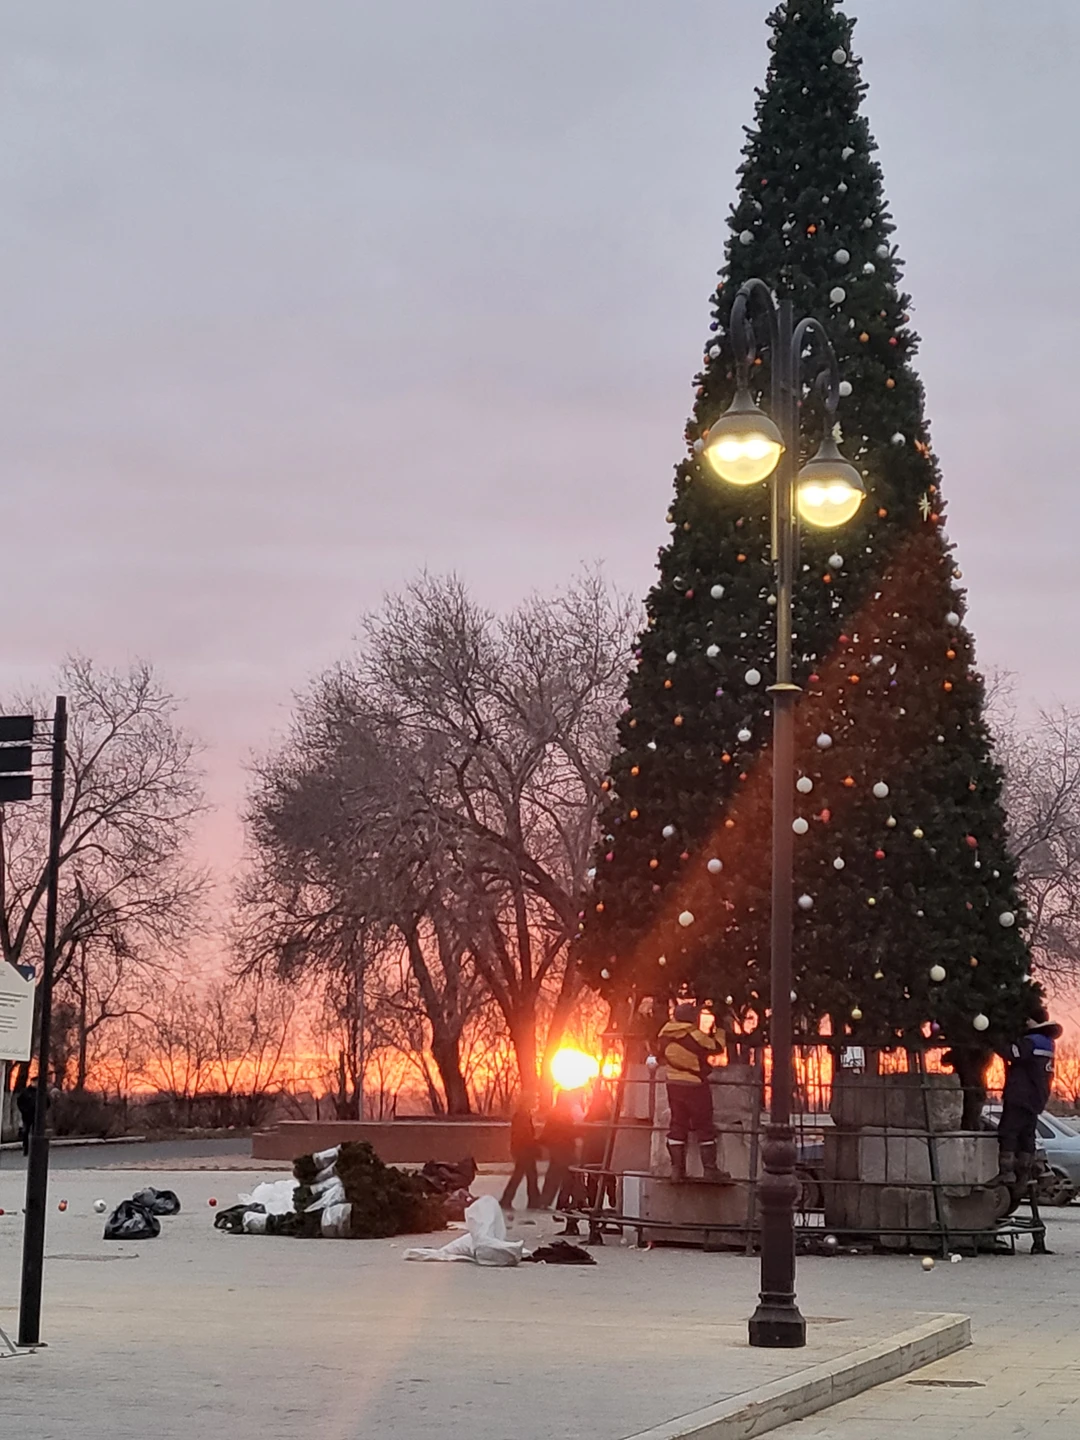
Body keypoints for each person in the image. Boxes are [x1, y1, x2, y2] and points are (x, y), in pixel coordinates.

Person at [994, 1005, 1063, 1187]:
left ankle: (1006, 1172)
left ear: (1033, 1021)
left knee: (1008, 1132)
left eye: (1027, 1019)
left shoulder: (1031, 1042)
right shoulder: (1047, 1043)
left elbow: (1012, 1053)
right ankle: (1024, 1174)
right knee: (1027, 1135)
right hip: (1036, 1097)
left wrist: (995, 1040)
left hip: (1020, 1095)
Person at [657, 1001, 726, 1181]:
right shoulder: (694, 1035)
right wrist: (720, 1031)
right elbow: (716, 1047)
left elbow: (660, 1054)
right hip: (695, 1085)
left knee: (678, 1124)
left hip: (673, 1084)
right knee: (704, 1125)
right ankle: (710, 1170)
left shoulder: (664, 1033)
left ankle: (677, 1170)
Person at [538, 1088, 582, 1210]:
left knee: (554, 1176)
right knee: (571, 1175)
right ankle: (570, 1200)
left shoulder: (556, 1113)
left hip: (557, 1149)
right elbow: (568, 1131)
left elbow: (548, 1132)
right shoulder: (562, 1114)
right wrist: (581, 1131)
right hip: (564, 1149)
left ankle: (546, 1201)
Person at [501, 1101, 541, 1212]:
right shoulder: (522, 1116)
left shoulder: (521, 1115)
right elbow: (525, 1134)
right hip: (524, 1150)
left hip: (522, 1149)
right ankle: (532, 1200)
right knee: (526, 1175)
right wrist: (533, 1145)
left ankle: (532, 1200)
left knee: (526, 1175)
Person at [16, 1082, 39, 1157]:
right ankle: (26, 1148)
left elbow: (47, 1101)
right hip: (27, 1115)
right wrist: (24, 1110)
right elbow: (19, 1102)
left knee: (36, 1132)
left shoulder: (39, 1092)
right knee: (26, 1132)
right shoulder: (25, 1092)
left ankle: (35, 1149)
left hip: (37, 1116)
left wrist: (42, 1111)